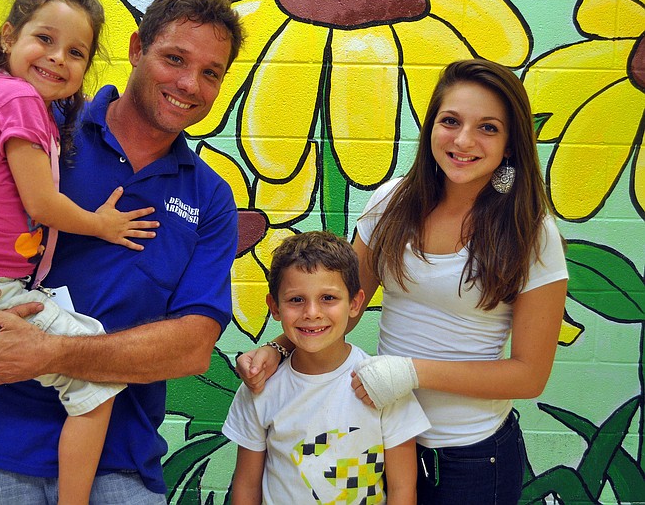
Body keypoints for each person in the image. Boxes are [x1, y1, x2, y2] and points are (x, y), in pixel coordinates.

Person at [0, 0, 244, 504]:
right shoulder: (43, 126)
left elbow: (192, 347)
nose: (190, 84)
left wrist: (49, 353)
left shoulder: (210, 198)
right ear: (136, 49)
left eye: (211, 73)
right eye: (174, 59)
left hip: (121, 461)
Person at [236, 59, 568, 504]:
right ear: (432, 125)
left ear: (510, 145)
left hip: (471, 456)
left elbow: (529, 376)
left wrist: (412, 372)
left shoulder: (531, 231)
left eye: (488, 128)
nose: (463, 140)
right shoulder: (390, 202)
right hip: (378, 440)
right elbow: (341, 308)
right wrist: (277, 350)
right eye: (450, 121)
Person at [223, 231, 429, 505]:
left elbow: (403, 490)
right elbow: (247, 488)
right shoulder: (259, 386)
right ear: (274, 307)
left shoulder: (383, 385)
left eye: (328, 298)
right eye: (296, 300)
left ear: (355, 303)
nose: (312, 313)